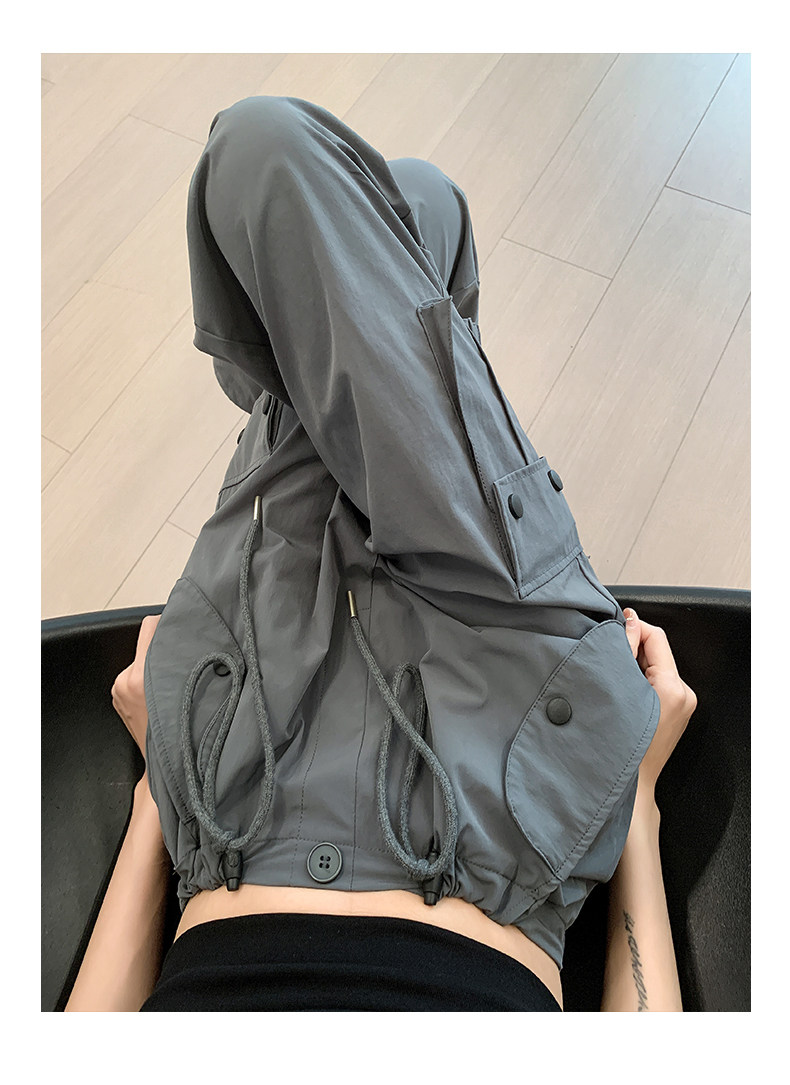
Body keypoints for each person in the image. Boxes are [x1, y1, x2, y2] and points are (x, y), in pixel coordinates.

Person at [63, 95, 697, 1012]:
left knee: (294, 167)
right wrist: (634, 802)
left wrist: (160, 797)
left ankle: (352, 384)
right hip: (504, 811)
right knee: (398, 205)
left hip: (234, 799)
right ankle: (375, 384)